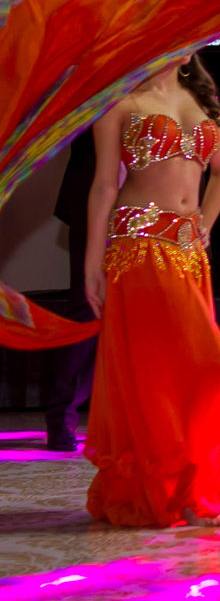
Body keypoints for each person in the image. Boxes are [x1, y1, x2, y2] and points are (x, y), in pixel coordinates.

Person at [83, 54, 220, 526]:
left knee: (185, 372)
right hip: (139, 248)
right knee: (169, 371)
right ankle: (170, 488)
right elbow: (103, 187)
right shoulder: (120, 103)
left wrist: (204, 224)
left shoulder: (202, 101)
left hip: (189, 255)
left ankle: (183, 487)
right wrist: (92, 263)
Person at [43, 132, 98, 451]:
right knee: (88, 308)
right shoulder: (101, 103)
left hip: (148, 204)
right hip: (96, 197)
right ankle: (61, 416)